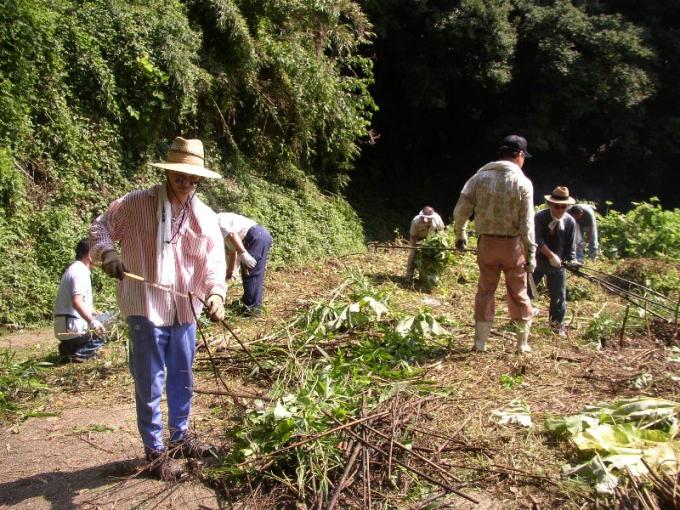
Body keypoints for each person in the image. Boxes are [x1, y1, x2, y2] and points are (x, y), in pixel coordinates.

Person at [90, 137, 227, 481]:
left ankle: (180, 438)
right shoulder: (136, 204)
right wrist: (108, 255)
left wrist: (216, 295)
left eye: (192, 179)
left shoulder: (204, 216)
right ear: (167, 173)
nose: (186, 184)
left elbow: (213, 262)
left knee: (183, 376)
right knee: (150, 380)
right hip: (144, 306)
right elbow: (100, 228)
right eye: (180, 177)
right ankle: (154, 452)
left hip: (185, 310)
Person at [453, 135, 536, 353]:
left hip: (487, 244)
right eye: (523, 156)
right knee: (518, 292)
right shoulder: (523, 183)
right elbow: (527, 223)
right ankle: (522, 344)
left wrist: (460, 234)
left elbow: (461, 209)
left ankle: (480, 343)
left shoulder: (478, 178)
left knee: (485, 291)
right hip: (513, 245)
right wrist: (531, 254)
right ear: (519, 155)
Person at [530, 186, 578, 337]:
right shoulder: (540, 217)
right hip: (537, 261)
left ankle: (556, 325)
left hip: (557, 265)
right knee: (527, 291)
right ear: (551, 204)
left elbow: (570, 246)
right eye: (556, 206)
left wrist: (571, 261)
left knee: (559, 296)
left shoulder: (569, 222)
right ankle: (520, 319)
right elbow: (536, 239)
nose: (559, 210)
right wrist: (550, 255)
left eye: (563, 207)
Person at [53, 238, 106, 362]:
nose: (99, 257)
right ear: (89, 254)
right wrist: (93, 322)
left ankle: (69, 348)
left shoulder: (73, 269)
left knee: (108, 316)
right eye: (97, 253)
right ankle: (82, 352)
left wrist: (98, 314)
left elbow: (82, 303)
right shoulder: (81, 272)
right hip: (72, 327)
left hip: (64, 326)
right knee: (113, 324)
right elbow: (76, 302)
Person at [216, 212, 273, 315]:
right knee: (247, 273)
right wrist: (231, 270)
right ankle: (247, 302)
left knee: (251, 273)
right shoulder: (220, 231)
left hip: (256, 236)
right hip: (257, 236)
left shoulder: (217, 220)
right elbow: (232, 250)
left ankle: (252, 310)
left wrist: (243, 252)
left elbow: (232, 234)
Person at [404, 206, 445, 282]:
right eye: (424, 217)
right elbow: (413, 236)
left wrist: (436, 244)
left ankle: (431, 277)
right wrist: (417, 245)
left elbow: (441, 232)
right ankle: (408, 277)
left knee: (435, 257)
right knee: (413, 255)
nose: (425, 220)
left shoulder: (437, 219)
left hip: (432, 240)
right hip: (418, 239)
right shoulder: (415, 221)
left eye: (428, 218)